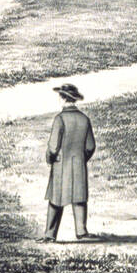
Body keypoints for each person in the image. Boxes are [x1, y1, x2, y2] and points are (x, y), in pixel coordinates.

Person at [42, 84, 95, 241]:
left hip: (61, 165)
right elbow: (90, 146)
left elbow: (52, 147)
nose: (59, 98)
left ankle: (50, 234)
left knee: (55, 199)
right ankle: (81, 231)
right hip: (79, 164)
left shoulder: (60, 119)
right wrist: (80, 158)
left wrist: (50, 158)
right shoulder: (85, 119)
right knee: (79, 198)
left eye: (60, 96)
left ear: (64, 98)